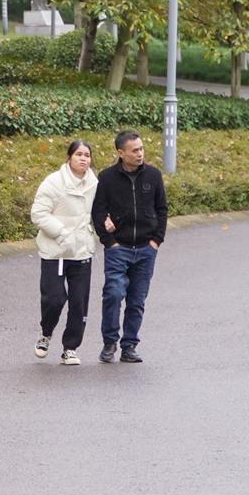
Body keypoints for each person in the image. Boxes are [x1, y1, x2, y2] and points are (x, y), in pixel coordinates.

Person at [90, 130, 167, 364]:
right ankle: (109, 342)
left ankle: (130, 345)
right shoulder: (107, 178)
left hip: (146, 248)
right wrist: (109, 242)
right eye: (135, 150)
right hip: (118, 248)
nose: (140, 153)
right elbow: (98, 211)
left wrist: (156, 240)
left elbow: (162, 209)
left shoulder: (153, 176)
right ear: (121, 153)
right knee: (113, 294)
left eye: (142, 149)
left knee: (137, 299)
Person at [30, 140, 99, 366]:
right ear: (69, 157)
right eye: (79, 154)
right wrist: (61, 234)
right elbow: (38, 214)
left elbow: (99, 212)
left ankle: (70, 348)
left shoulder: (94, 183)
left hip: (82, 252)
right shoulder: (54, 182)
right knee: (54, 299)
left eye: (87, 155)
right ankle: (45, 334)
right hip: (55, 252)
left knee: (79, 303)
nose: (83, 159)